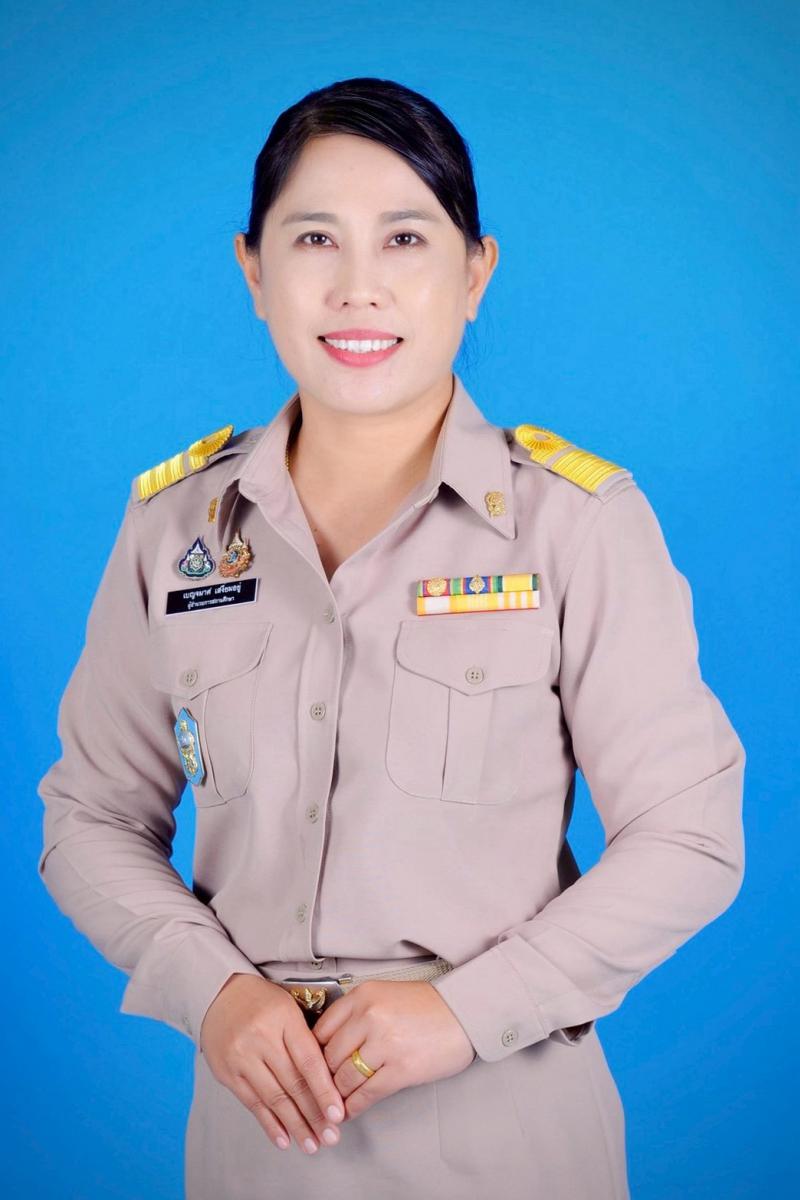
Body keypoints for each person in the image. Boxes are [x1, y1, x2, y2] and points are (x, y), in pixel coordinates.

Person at [37, 76, 746, 1200]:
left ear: (475, 274)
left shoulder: (575, 522)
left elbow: (689, 837)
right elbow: (90, 816)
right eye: (314, 238)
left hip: (509, 1132)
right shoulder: (175, 531)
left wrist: (467, 1012)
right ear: (253, 272)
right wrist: (211, 992)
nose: (357, 285)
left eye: (406, 238)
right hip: (254, 1142)